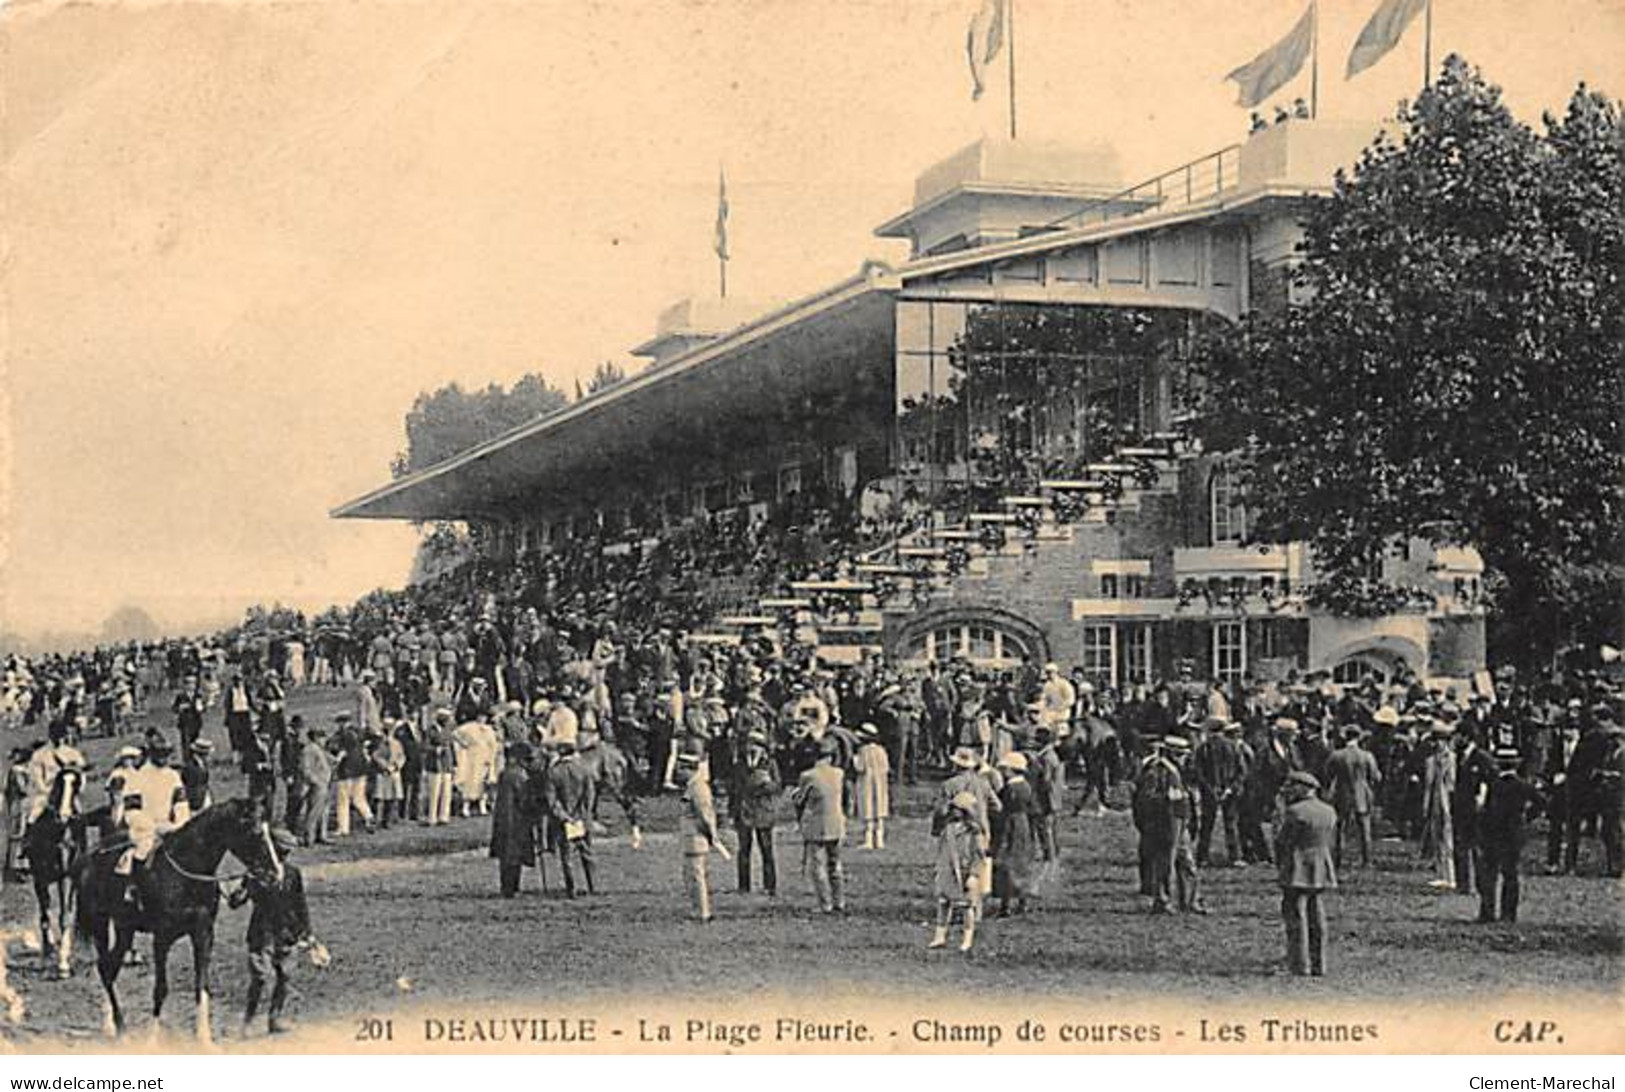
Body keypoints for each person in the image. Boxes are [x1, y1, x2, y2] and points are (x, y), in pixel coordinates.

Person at [231, 829, 316, 1036]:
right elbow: (236, 902)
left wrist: (307, 931)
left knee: (285, 977)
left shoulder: (293, 873)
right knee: (260, 978)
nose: (284, 854)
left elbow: (300, 903)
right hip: (263, 933)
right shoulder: (256, 873)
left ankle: (275, 1018)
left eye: (287, 851)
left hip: (287, 932)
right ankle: (248, 1021)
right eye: (281, 850)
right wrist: (240, 892)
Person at [1274, 770, 1338, 977]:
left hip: (1297, 865)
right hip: (1320, 865)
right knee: (1317, 915)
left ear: (1302, 788)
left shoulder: (1295, 812)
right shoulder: (1329, 811)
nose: (1289, 791)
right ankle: (1319, 963)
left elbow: (1284, 841)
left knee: (1295, 916)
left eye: (1293, 787)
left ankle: (1299, 964)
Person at [1476, 747, 1541, 923]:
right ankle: (1508, 913)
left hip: (1493, 832)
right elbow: (1541, 803)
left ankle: (1487, 912)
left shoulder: (1493, 784)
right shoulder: (1523, 785)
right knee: (1510, 874)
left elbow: (1486, 809)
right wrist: (1527, 818)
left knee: (1489, 873)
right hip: (1513, 834)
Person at [793, 738, 847, 914]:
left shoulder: (808, 776)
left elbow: (800, 799)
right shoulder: (839, 774)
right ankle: (839, 901)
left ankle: (825, 903)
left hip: (816, 824)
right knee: (835, 864)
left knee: (818, 866)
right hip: (836, 823)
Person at [930, 791, 986, 952]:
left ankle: (967, 939)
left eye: (958, 809)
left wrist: (974, 875)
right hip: (946, 870)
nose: (954, 812)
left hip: (964, 872)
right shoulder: (947, 828)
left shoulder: (974, 832)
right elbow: (940, 847)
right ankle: (940, 936)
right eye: (953, 808)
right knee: (943, 903)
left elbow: (979, 855)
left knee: (966, 907)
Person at [678, 749, 727, 922]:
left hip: (696, 838)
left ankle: (702, 912)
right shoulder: (693, 786)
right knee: (691, 876)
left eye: (681, 768)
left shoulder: (698, 788)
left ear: (689, 768)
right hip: (692, 837)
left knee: (696, 876)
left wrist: (711, 835)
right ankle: (697, 909)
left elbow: (705, 815)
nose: (678, 772)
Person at [730, 731, 781, 896]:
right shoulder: (739, 764)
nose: (751, 748)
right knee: (744, 850)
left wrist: (764, 786)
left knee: (767, 849)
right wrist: (733, 812)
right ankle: (743, 886)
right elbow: (734, 789)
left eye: (755, 745)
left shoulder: (770, 764)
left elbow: (778, 786)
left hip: (764, 811)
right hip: (744, 810)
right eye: (748, 744)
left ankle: (770, 886)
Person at [545, 737, 597, 898]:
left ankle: (571, 888)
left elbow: (552, 801)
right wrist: (583, 815)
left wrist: (565, 817)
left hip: (564, 820)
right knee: (587, 853)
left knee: (567, 856)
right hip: (582, 817)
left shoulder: (553, 772)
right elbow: (590, 796)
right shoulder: (584, 770)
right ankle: (592, 886)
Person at [1325, 728, 1382, 870]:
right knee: (1364, 829)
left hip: (1342, 793)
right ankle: (1367, 860)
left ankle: (1337, 859)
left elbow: (1328, 773)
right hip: (1362, 792)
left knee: (1339, 829)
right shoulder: (1367, 756)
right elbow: (1376, 776)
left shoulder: (1336, 755)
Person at [992, 751, 1038, 917]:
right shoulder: (1026, 786)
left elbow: (1001, 807)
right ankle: (1022, 901)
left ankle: (1006, 905)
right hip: (1023, 825)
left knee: (1006, 864)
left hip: (1009, 824)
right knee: (1021, 863)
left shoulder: (1010, 788)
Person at [490, 742, 539, 897]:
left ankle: (508, 888)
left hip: (503, 819)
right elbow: (524, 799)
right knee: (514, 856)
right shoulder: (519, 776)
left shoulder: (505, 773)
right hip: (517, 820)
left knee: (506, 857)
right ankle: (512, 889)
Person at [854, 723, 890, 850]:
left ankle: (868, 840)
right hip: (881, 783)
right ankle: (879, 840)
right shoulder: (882, 750)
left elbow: (860, 767)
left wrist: (854, 760)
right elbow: (886, 768)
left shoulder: (863, 751)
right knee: (879, 809)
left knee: (868, 808)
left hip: (867, 782)